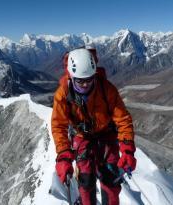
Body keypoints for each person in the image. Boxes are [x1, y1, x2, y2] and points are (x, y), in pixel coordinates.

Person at [51, 48, 136, 205]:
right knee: (85, 179)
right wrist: (63, 155)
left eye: (89, 80)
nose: (85, 85)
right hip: (82, 137)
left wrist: (127, 150)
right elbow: (59, 126)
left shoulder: (106, 89)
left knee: (111, 178)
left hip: (106, 135)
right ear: (71, 76)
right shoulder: (63, 95)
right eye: (80, 81)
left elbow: (122, 118)